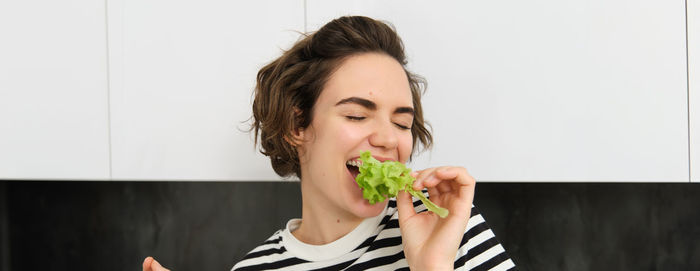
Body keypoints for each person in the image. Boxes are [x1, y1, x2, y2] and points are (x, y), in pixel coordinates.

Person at [144, 16, 515, 271]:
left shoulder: (449, 230)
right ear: (296, 124)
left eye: (402, 122)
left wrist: (432, 267)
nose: (388, 138)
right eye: (356, 115)